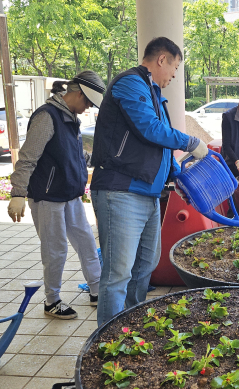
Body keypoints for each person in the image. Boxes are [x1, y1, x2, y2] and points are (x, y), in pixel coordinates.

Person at [89, 37, 208, 326]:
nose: (174, 76)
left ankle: (129, 325)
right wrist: (191, 141)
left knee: (145, 266)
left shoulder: (152, 92)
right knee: (118, 273)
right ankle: (108, 339)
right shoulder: (130, 83)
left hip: (148, 195)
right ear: (162, 59)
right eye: (175, 68)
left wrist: (178, 174)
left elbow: (158, 146)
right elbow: (149, 129)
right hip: (120, 191)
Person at [7, 71, 105, 319]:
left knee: (85, 243)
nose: (88, 108)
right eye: (88, 102)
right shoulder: (47, 116)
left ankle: (97, 290)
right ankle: (52, 301)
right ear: (77, 93)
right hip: (47, 197)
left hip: (70, 195)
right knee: (55, 249)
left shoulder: (70, 117)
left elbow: (72, 156)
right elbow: (28, 158)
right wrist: (18, 193)